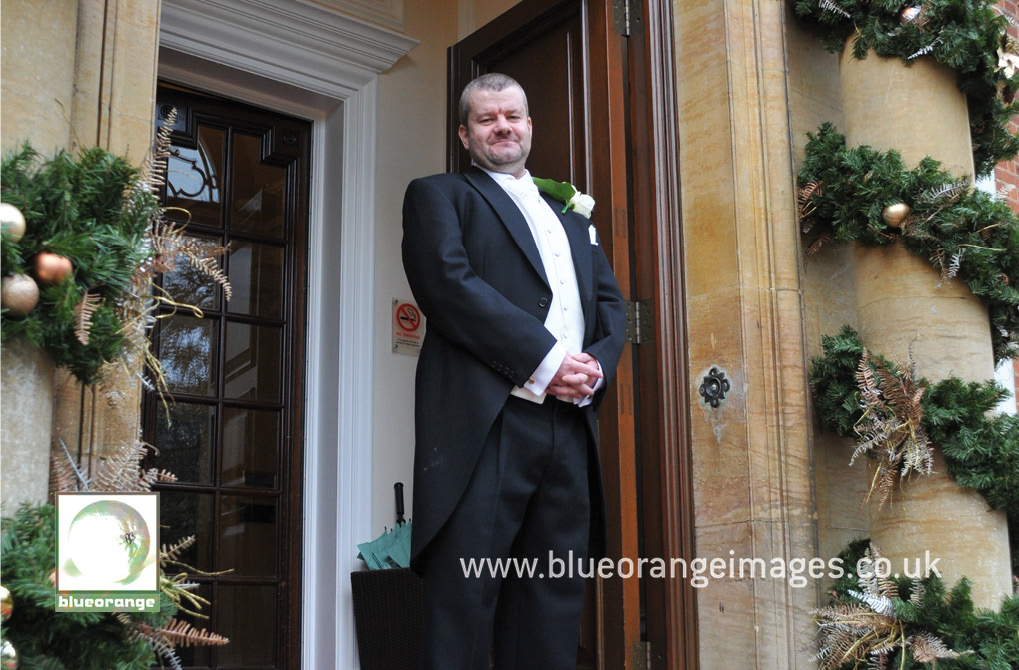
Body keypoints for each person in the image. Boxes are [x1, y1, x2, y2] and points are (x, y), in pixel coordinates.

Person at [401, 72, 627, 669]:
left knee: (553, 597)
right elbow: (449, 286)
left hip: (570, 427)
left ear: (530, 125)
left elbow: (609, 306)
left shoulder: (572, 216)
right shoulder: (438, 195)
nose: (503, 126)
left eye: (513, 116)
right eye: (487, 118)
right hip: (488, 422)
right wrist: (547, 362)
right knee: (466, 593)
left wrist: (593, 369)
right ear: (464, 134)